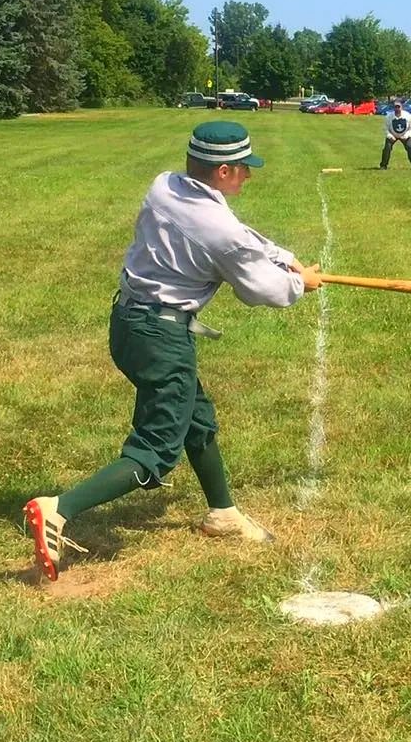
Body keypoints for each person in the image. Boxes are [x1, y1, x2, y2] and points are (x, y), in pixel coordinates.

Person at [23, 121, 322, 581]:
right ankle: (59, 509)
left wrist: (284, 255)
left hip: (129, 323)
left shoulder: (165, 186)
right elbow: (264, 290)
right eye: (243, 169)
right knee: (158, 446)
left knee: (195, 416)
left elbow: (242, 236)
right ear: (223, 172)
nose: (248, 176)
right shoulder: (219, 233)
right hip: (161, 335)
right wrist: (300, 282)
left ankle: (222, 513)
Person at [381, 100, 411, 170]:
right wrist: (390, 136)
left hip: (404, 135)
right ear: (394, 108)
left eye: (398, 107)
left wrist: (406, 136)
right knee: (387, 148)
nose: (397, 109)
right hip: (392, 135)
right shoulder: (388, 117)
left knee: (410, 147)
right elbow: (385, 128)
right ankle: (383, 166)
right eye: (395, 107)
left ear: (401, 107)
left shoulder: (408, 116)